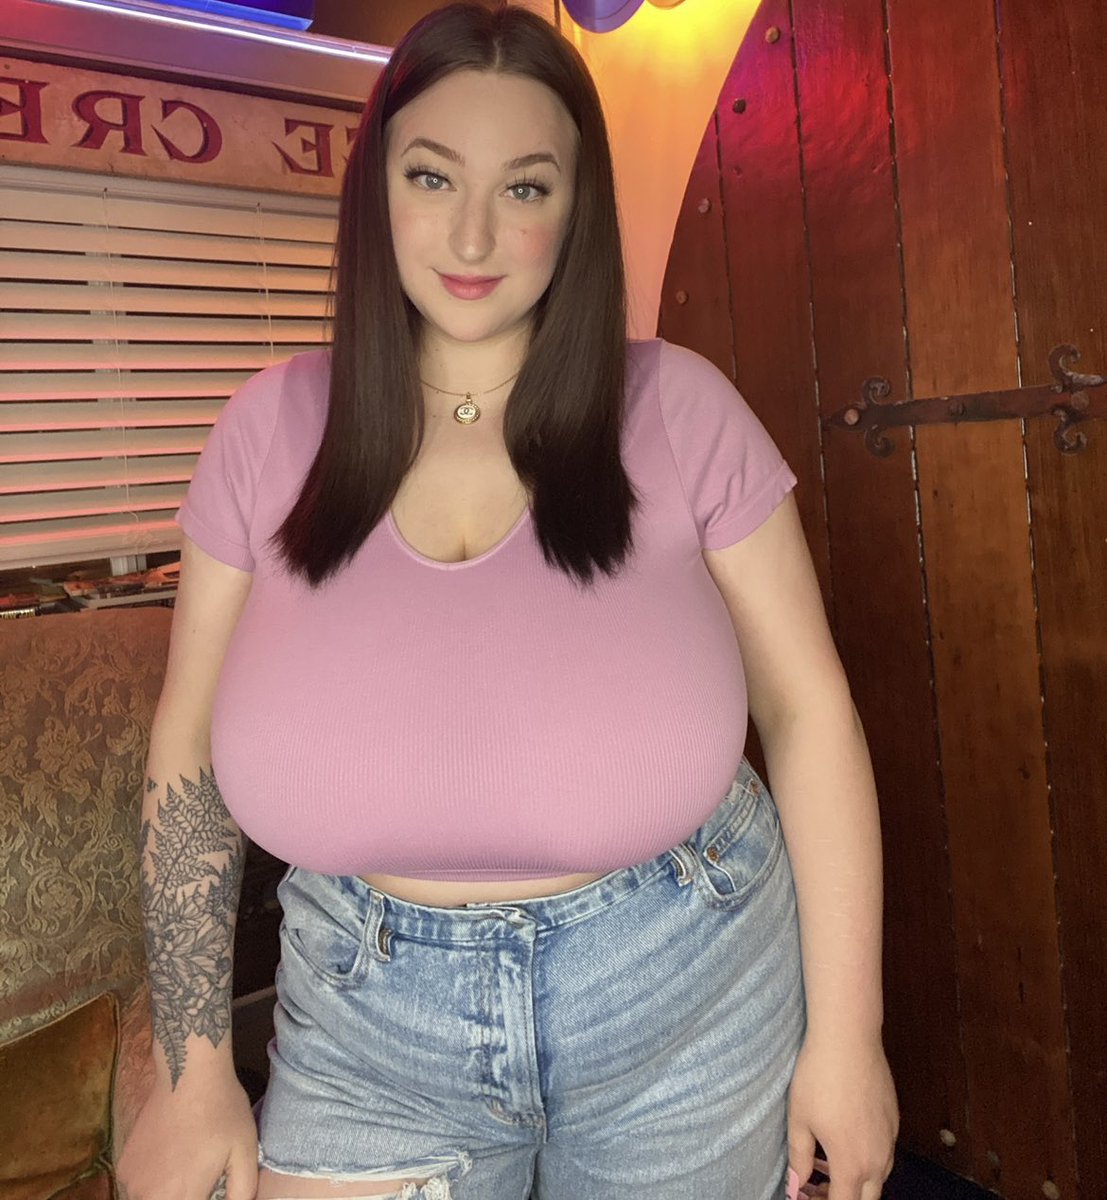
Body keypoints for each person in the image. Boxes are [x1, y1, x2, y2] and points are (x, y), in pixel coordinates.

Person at [117, 4, 898, 1199]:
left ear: (575, 210)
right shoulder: (265, 430)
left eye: (526, 187)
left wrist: (850, 1039)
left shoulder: (681, 408)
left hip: (685, 985)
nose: (474, 233)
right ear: (375, 190)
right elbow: (186, 748)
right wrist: (192, 1071)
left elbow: (808, 711)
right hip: (366, 1024)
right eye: (432, 176)